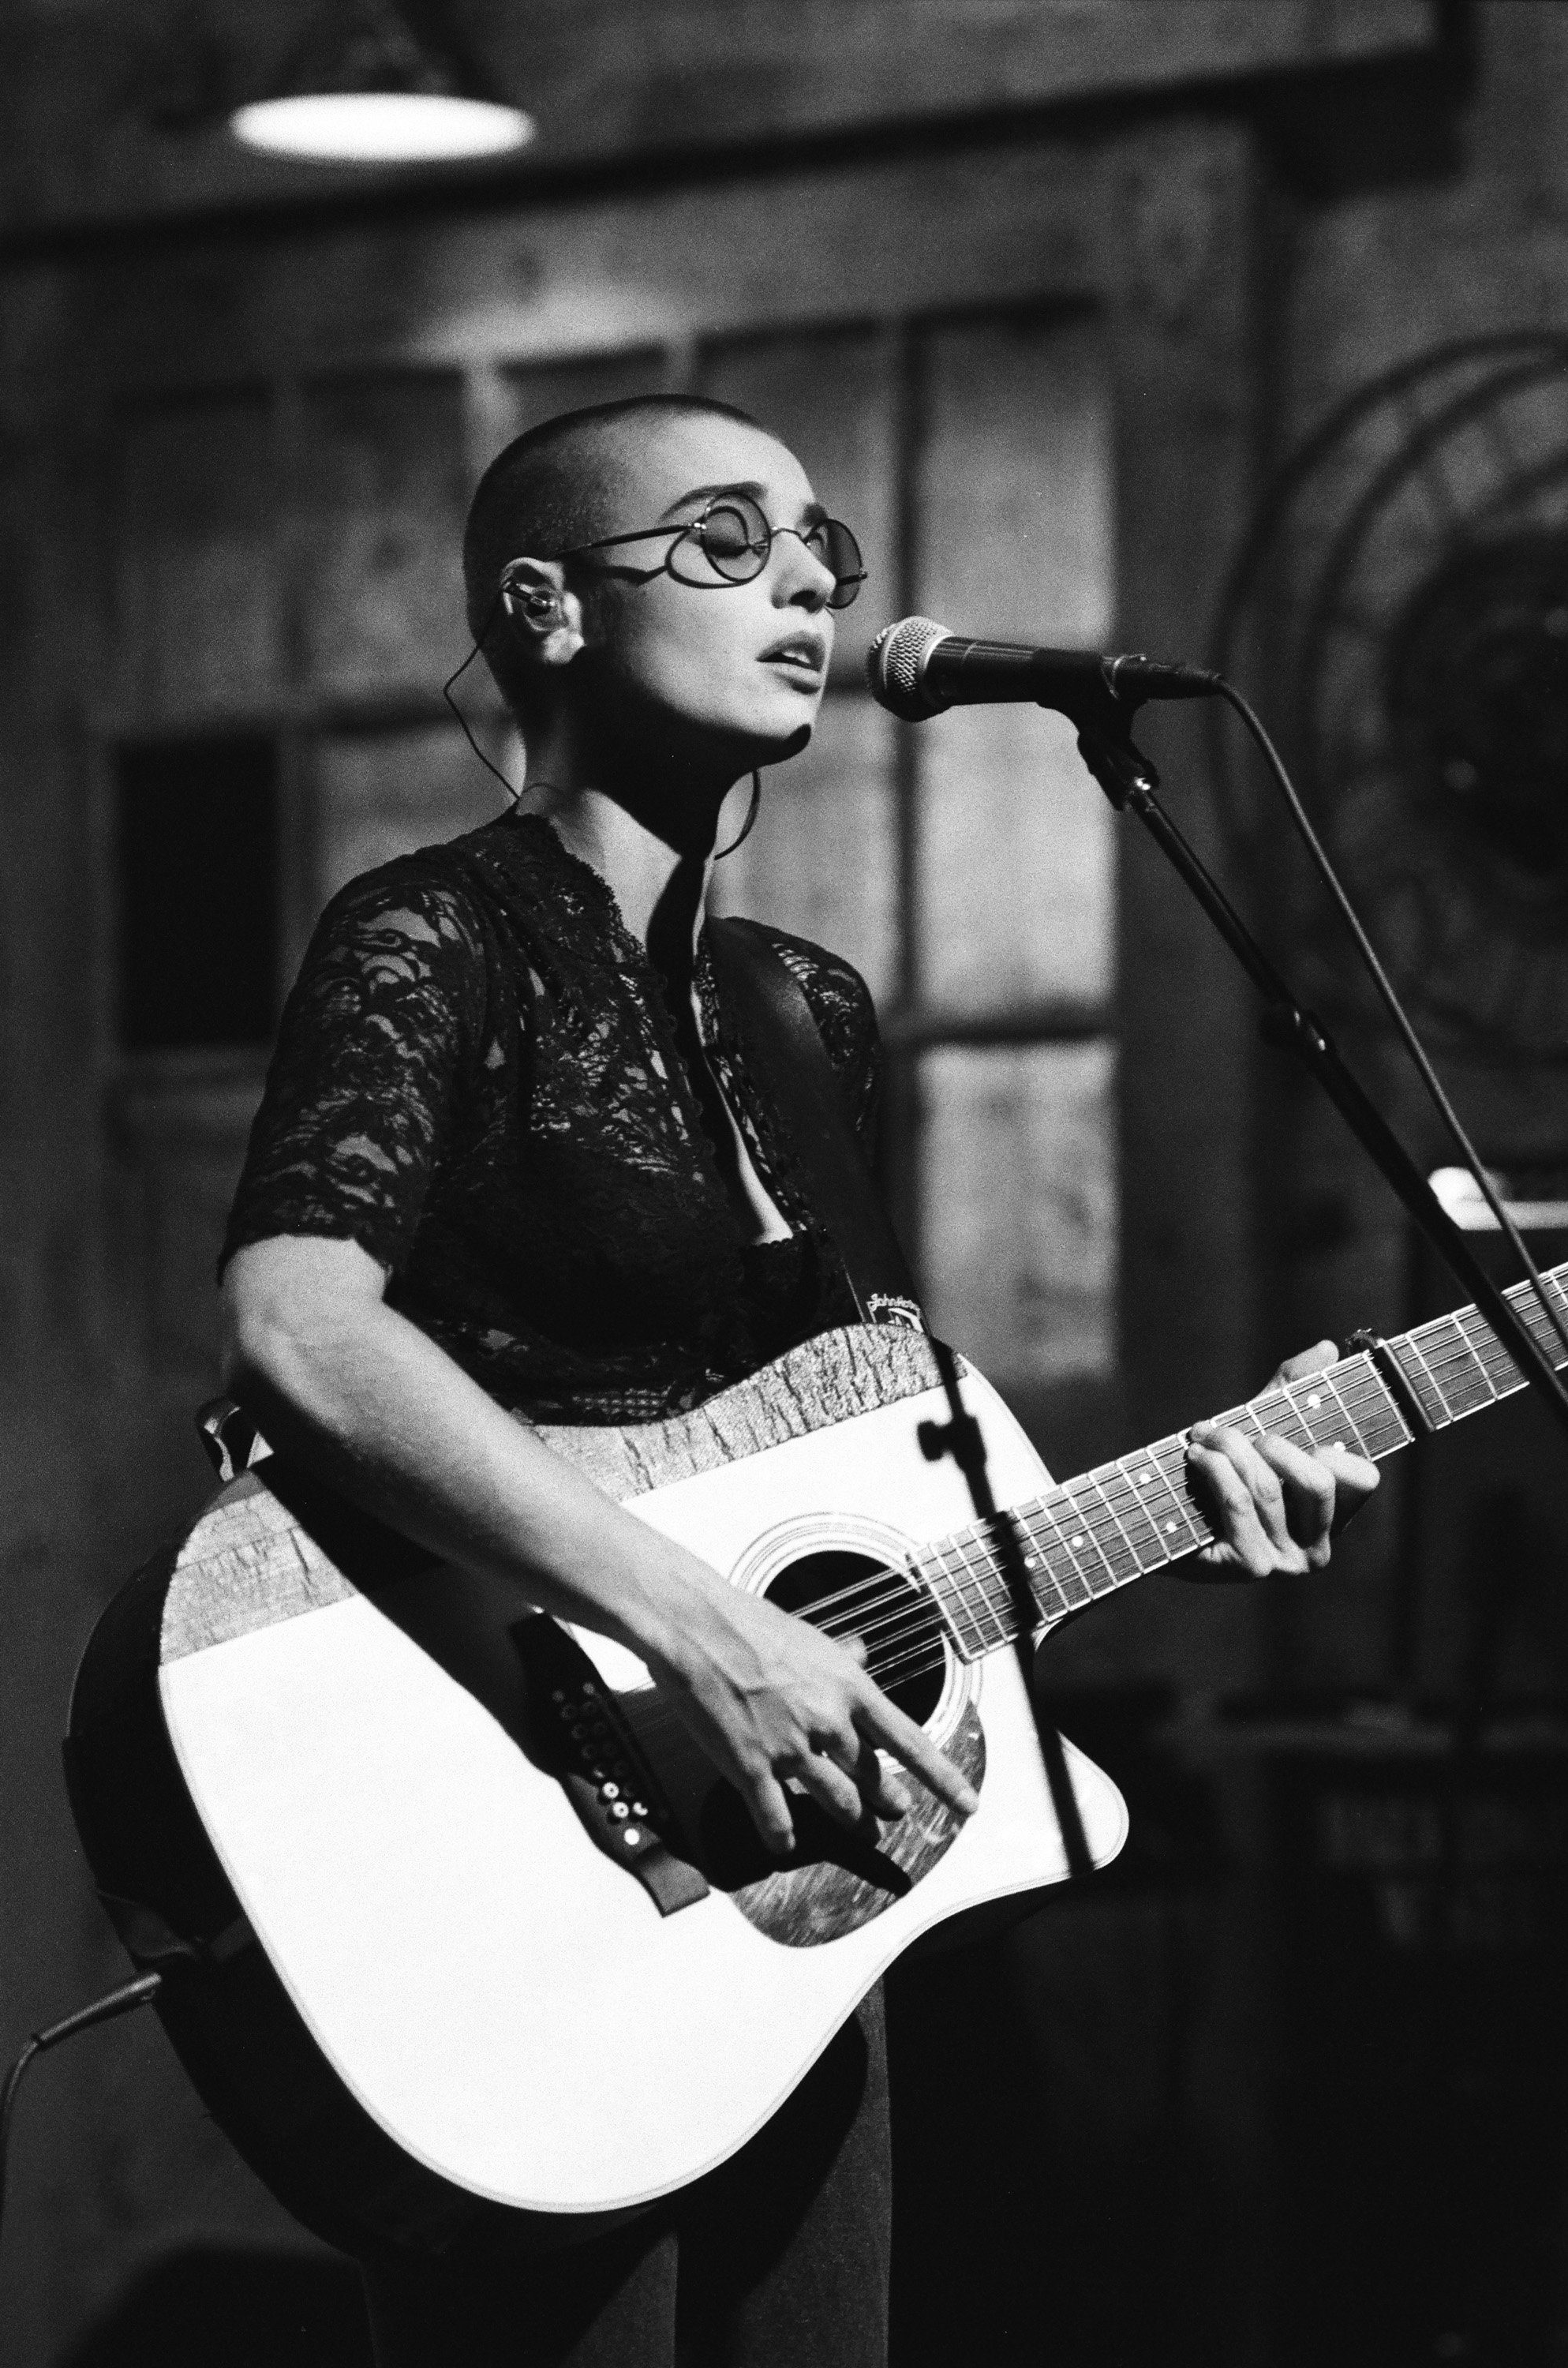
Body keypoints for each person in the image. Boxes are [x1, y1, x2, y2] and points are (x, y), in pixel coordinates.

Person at [219, 393, 1378, 2366]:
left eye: (820, 544)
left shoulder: (801, 1006)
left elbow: (832, 1500)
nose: (813, 585)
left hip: (778, 1889)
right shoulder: (436, 938)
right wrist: (703, 1635)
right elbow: (298, 1322)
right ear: (548, 608)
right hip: (519, 1853)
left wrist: (1190, 1494)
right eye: (729, 542)